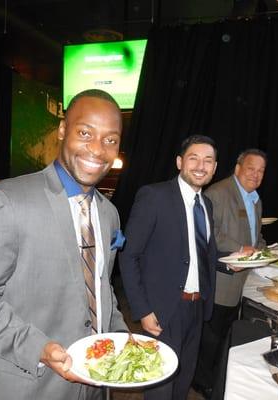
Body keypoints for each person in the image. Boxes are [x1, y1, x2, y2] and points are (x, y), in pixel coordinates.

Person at [0, 89, 128, 400]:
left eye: (110, 139)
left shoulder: (109, 213)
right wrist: (40, 349)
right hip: (28, 384)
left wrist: (122, 337)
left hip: (95, 385)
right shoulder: (11, 200)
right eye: (85, 132)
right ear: (62, 130)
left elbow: (100, 286)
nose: (98, 149)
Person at [119, 135, 224, 400]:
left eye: (208, 160)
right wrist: (142, 309)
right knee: (159, 385)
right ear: (179, 162)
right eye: (194, 158)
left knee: (183, 381)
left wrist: (231, 262)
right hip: (165, 310)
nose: (201, 166)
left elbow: (202, 252)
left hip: (197, 308)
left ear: (214, 167)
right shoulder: (155, 196)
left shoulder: (206, 204)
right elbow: (129, 255)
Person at [192, 148, 267, 400]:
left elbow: (255, 237)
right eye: (250, 169)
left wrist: (267, 251)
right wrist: (240, 249)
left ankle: (213, 377)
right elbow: (209, 234)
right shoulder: (218, 193)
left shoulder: (255, 199)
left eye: (260, 171)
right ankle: (201, 382)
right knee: (211, 336)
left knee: (224, 334)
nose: (255, 175)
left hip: (240, 282)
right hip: (220, 280)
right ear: (237, 169)